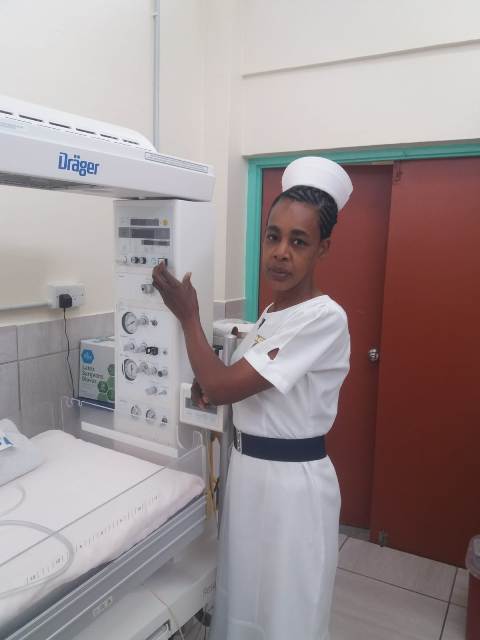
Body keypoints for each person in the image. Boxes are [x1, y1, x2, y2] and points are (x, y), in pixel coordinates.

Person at [152, 156, 353, 640]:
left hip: (292, 490)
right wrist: (211, 389)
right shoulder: (269, 315)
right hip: (248, 476)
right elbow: (233, 386)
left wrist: (187, 316)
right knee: (241, 601)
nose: (281, 252)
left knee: (285, 613)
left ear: (323, 248)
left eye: (298, 241)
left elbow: (225, 384)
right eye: (273, 237)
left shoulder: (324, 318)